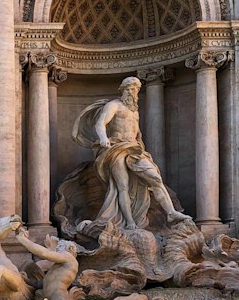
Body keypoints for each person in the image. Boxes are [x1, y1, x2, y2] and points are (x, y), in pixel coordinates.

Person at [72, 76, 191, 231]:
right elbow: (100, 122)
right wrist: (103, 138)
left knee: (155, 178)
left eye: (135, 89)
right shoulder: (114, 105)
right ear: (123, 90)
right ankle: (129, 222)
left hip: (135, 150)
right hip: (116, 148)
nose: (133, 92)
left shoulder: (134, 111)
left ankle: (171, 212)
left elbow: (136, 133)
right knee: (123, 186)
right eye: (130, 88)